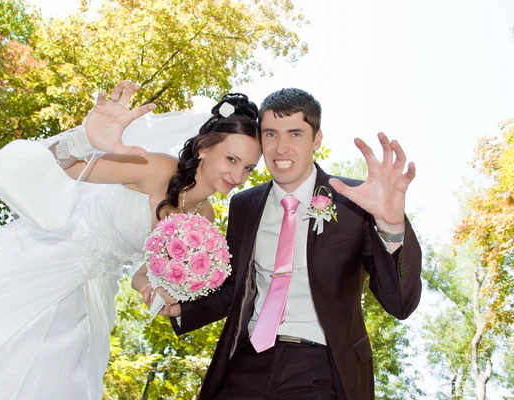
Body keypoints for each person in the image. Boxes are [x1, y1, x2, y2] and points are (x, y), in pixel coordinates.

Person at [0, 80, 261, 400]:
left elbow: (144, 271)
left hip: (91, 295)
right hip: (51, 261)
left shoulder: (207, 217)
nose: (238, 175)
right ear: (203, 147)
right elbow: (64, 167)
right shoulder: (156, 167)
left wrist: (153, 288)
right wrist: (86, 139)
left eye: (248, 168)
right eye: (232, 159)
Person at [155, 88, 422, 400]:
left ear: (316, 139)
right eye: (270, 134)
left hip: (321, 368)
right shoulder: (244, 205)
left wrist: (390, 224)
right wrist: (180, 309)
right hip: (246, 363)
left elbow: (399, 303)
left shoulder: (356, 200)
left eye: (295, 133)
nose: (281, 148)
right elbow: (234, 289)